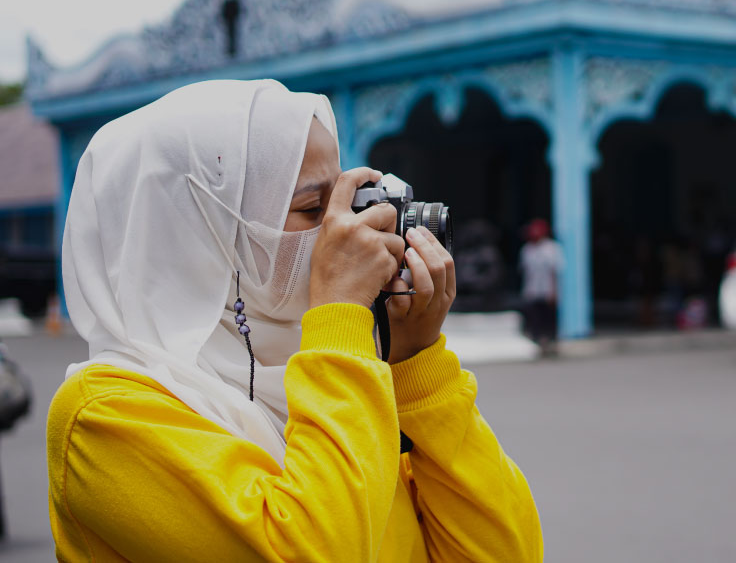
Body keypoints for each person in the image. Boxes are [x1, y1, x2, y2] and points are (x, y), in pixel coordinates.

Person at [46, 80, 543, 561]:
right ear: (201, 236)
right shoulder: (103, 416)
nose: (345, 227)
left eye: (347, 201)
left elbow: (504, 552)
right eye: (312, 207)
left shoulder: (338, 377)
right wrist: (340, 320)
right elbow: (323, 549)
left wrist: (415, 363)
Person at [519, 218, 562, 357]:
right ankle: (537, 343)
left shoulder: (552, 248)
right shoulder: (527, 250)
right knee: (534, 318)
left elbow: (554, 271)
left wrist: (554, 292)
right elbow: (525, 272)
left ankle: (550, 343)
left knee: (548, 318)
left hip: (547, 290)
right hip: (532, 290)